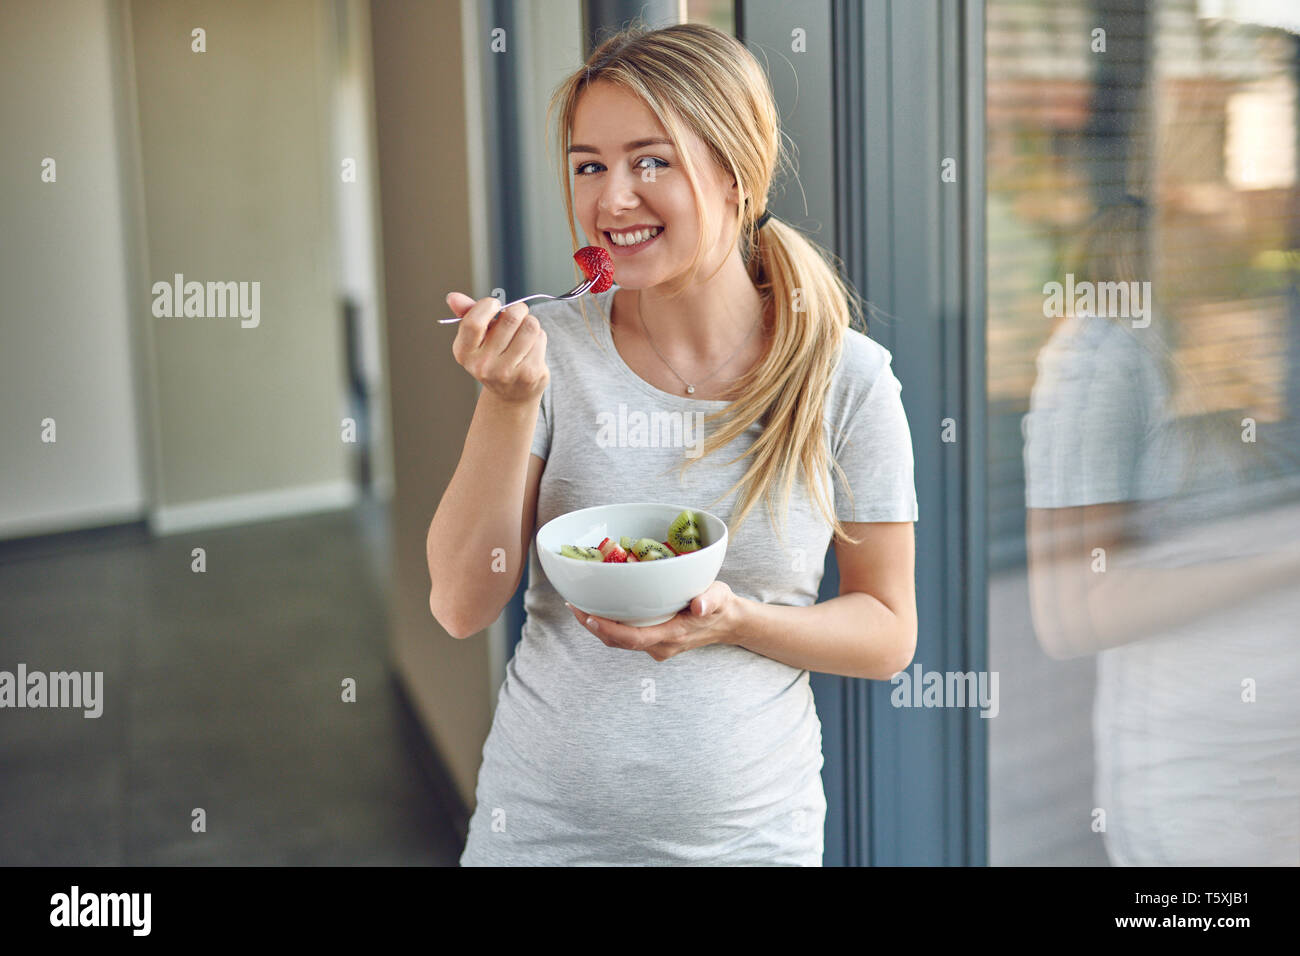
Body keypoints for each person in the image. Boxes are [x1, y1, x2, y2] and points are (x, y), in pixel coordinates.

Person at [429, 22, 919, 865]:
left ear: (736, 174)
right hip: (539, 832)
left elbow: (886, 634)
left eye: (651, 161)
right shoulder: (546, 354)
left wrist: (733, 622)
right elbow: (461, 603)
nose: (612, 199)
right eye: (590, 166)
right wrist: (508, 405)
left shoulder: (848, 379)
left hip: (753, 843)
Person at [1023, 200, 1300, 865]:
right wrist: (1283, 564)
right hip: (1207, 788)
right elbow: (1075, 615)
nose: (1232, 222)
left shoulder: (1209, 353)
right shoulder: (1099, 362)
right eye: (1199, 219)